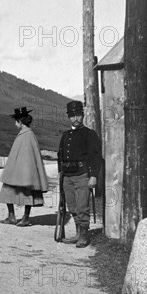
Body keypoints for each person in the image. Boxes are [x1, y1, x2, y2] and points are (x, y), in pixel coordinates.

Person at [57, 100, 102, 248]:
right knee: (72, 206)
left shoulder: (89, 134)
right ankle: (77, 233)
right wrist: (60, 173)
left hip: (82, 175)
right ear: (68, 117)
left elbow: (96, 156)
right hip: (67, 176)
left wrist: (93, 175)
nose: (75, 119)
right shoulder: (66, 135)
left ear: (82, 116)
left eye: (78, 115)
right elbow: (60, 155)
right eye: (72, 116)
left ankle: (84, 235)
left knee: (82, 206)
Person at [0, 107, 48, 226]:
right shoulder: (24, 134)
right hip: (16, 170)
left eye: (16, 121)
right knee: (8, 189)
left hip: (25, 172)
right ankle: (11, 216)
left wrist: (25, 173)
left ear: (20, 121)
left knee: (27, 193)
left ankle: (25, 218)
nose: (15, 123)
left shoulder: (27, 135)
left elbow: (29, 157)